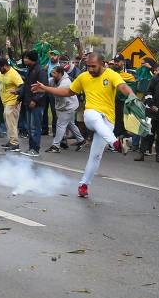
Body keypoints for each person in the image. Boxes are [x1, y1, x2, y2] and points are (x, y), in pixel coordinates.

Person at [33, 52, 136, 198]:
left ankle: (83, 185)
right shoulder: (83, 77)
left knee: (95, 156)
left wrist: (132, 97)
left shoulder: (112, 75)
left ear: (102, 64)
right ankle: (116, 143)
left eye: (93, 66)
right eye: (88, 66)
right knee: (92, 115)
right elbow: (68, 91)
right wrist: (46, 88)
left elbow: (123, 87)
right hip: (91, 115)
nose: (90, 69)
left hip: (108, 121)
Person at [45, 66, 86, 153]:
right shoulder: (53, 80)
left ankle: (55, 146)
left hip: (69, 107)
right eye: (52, 72)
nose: (52, 75)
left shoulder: (66, 82)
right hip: (64, 106)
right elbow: (46, 83)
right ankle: (81, 140)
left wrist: (46, 88)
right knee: (70, 124)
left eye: (54, 73)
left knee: (61, 125)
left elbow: (58, 92)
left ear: (60, 73)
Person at [21, 51, 47, 157]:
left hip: (36, 104)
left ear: (31, 59)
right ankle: (31, 148)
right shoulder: (29, 69)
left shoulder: (40, 71)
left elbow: (43, 88)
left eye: (26, 58)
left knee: (35, 127)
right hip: (28, 102)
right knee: (29, 127)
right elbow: (26, 86)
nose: (24, 60)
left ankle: (35, 149)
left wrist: (35, 100)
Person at [0, 58, 23, 152]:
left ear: (5, 66)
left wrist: (17, 91)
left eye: (0, 68)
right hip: (5, 101)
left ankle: (15, 143)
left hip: (13, 101)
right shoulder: (1, 73)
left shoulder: (13, 74)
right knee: (8, 121)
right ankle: (11, 141)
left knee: (11, 121)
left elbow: (22, 85)